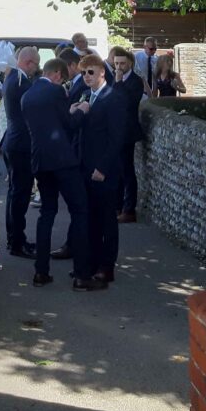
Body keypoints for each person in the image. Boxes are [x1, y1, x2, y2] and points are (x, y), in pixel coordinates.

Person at [20, 58, 103, 290]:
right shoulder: (56, 91)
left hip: (40, 160)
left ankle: (41, 271)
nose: (64, 81)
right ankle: (81, 275)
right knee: (80, 211)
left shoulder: (27, 95)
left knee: (47, 213)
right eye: (63, 77)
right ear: (57, 74)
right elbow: (68, 124)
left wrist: (69, 110)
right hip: (63, 161)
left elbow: (49, 122)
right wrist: (82, 110)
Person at [70, 54, 127, 282]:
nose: (86, 77)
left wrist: (102, 168)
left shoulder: (114, 98)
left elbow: (117, 138)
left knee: (107, 221)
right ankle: (90, 264)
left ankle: (107, 267)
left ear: (102, 72)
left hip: (105, 170)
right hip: (85, 167)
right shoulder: (87, 95)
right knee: (90, 219)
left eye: (90, 72)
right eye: (83, 73)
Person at [1, 46, 40, 258]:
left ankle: (15, 238)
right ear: (28, 63)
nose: (38, 68)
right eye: (36, 63)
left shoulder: (13, 78)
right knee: (20, 195)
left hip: (12, 142)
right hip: (21, 145)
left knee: (15, 193)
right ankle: (17, 242)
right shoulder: (20, 83)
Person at [110, 47, 144, 224]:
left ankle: (129, 209)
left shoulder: (135, 81)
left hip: (127, 131)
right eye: (116, 63)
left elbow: (126, 103)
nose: (119, 66)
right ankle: (117, 205)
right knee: (117, 169)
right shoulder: (116, 80)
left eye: (122, 63)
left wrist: (119, 82)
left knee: (127, 170)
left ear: (129, 63)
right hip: (116, 131)